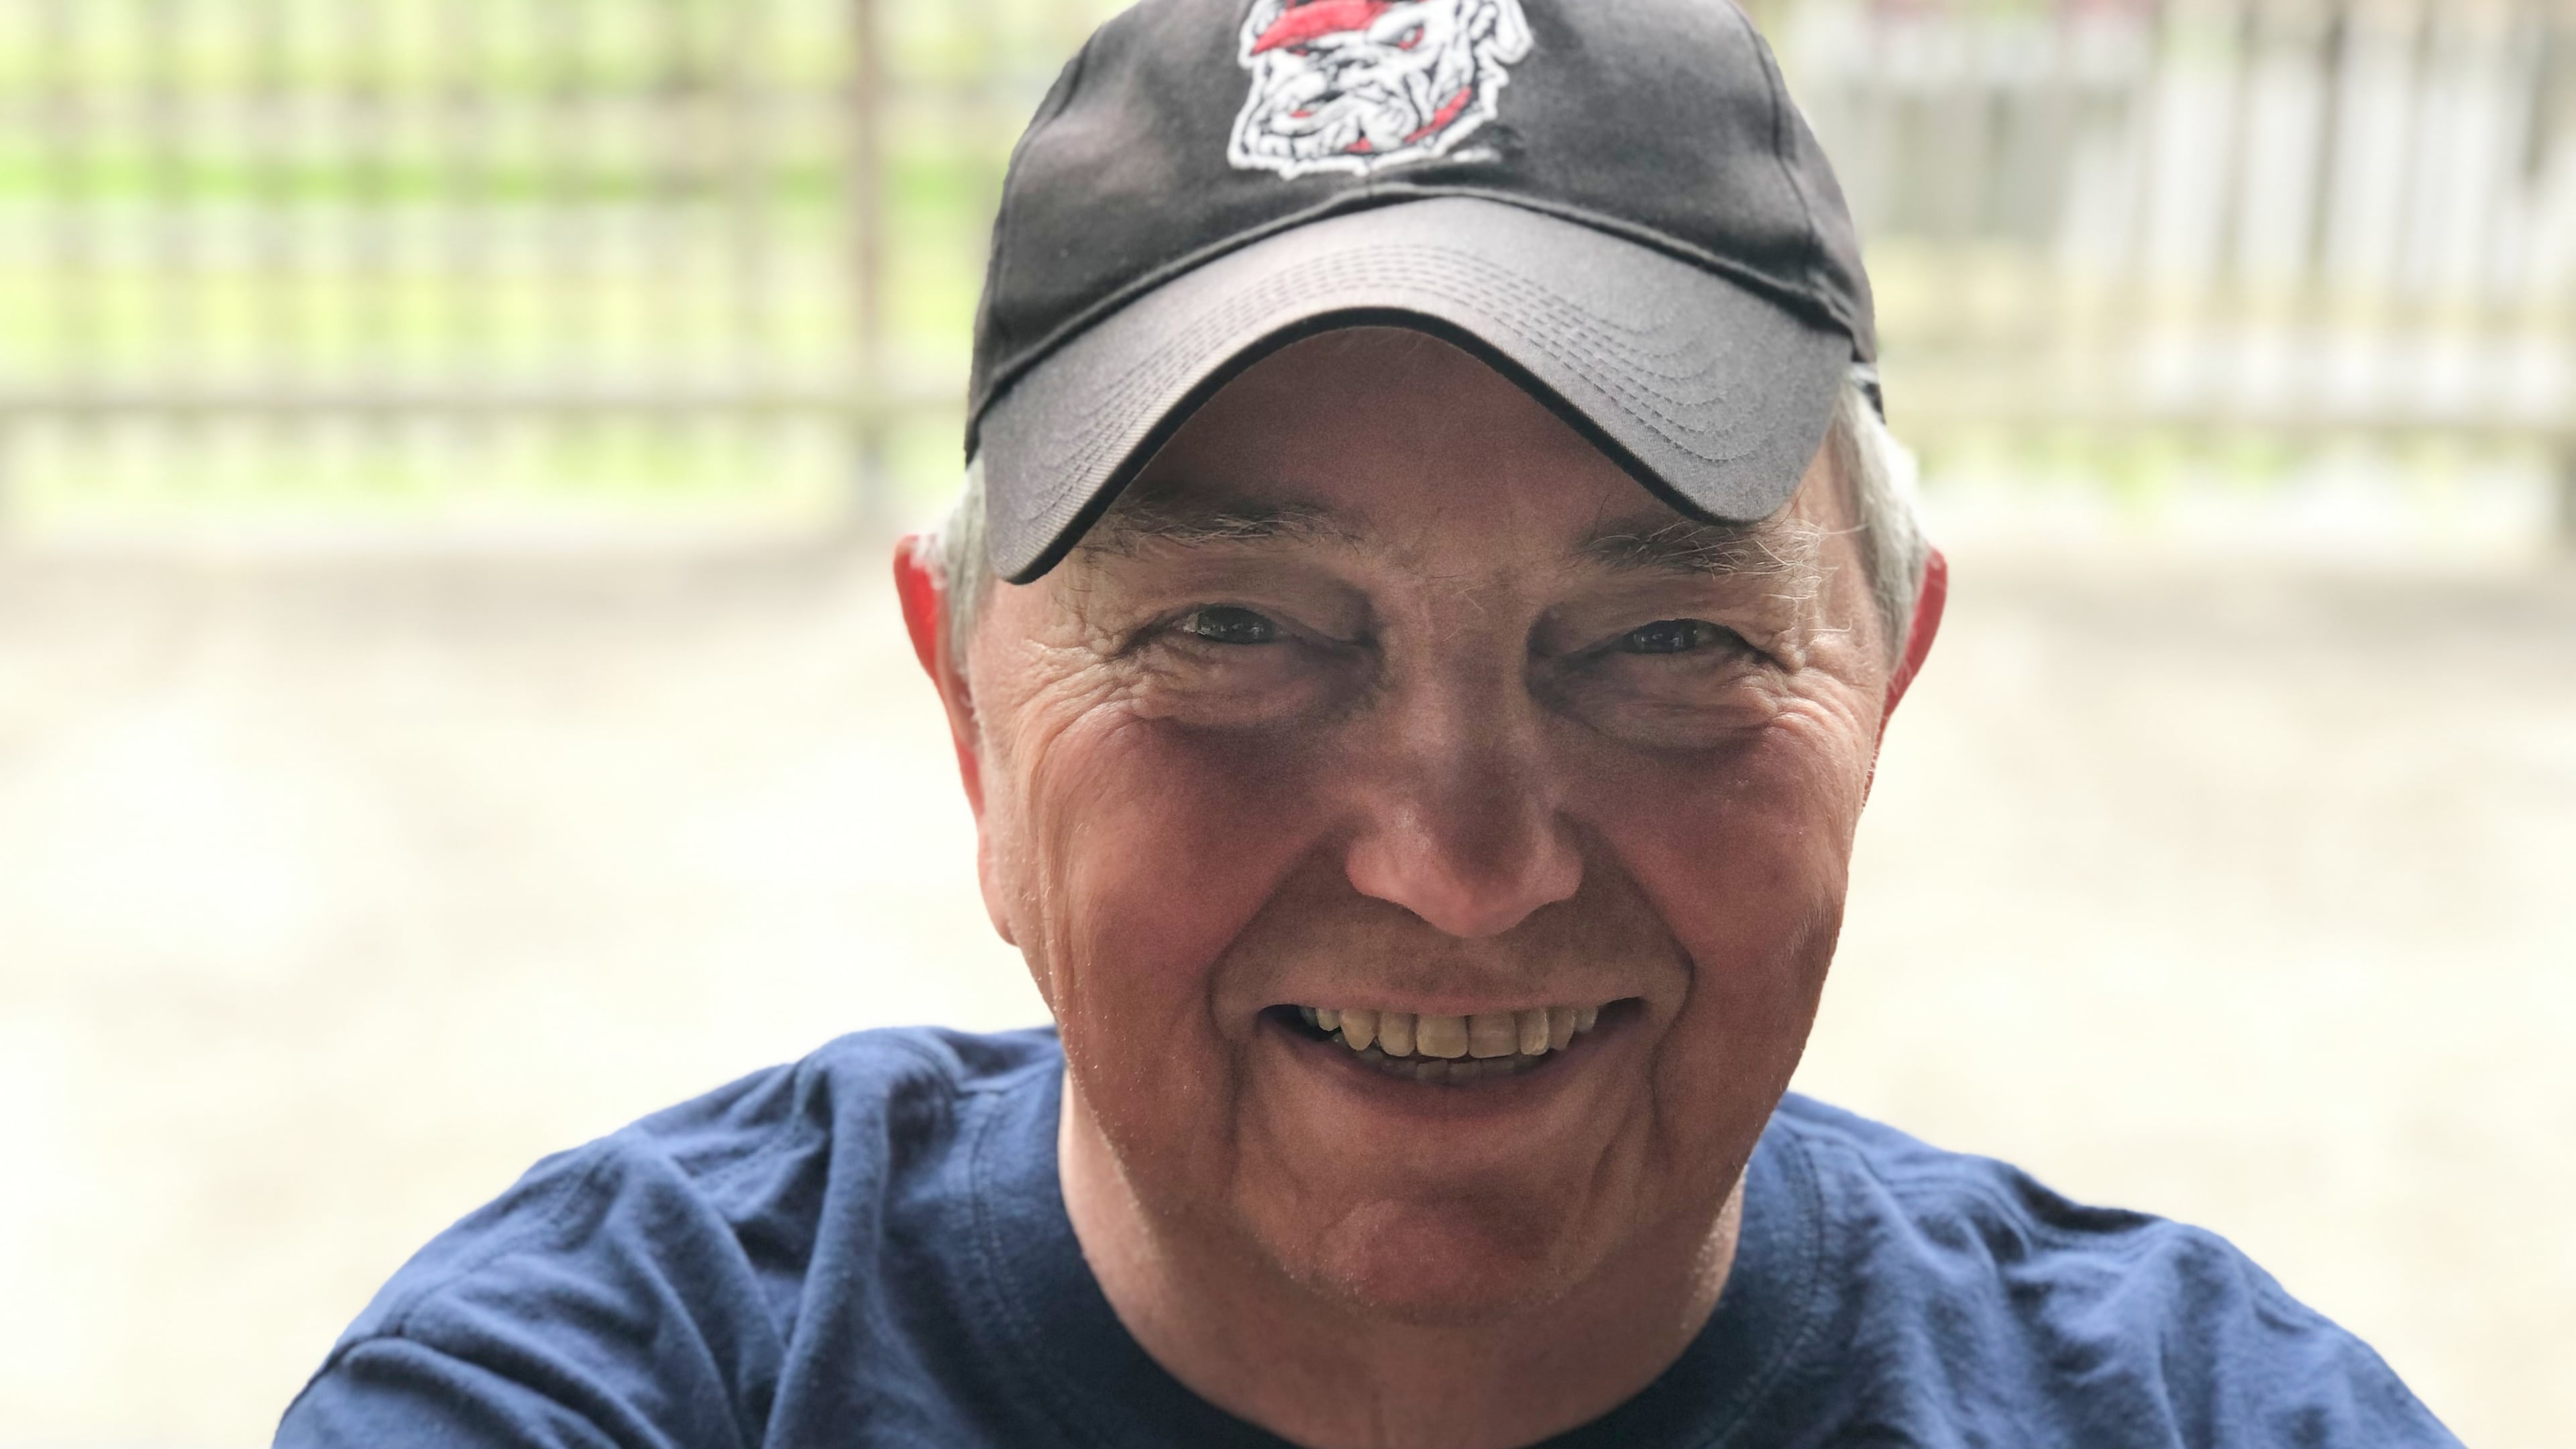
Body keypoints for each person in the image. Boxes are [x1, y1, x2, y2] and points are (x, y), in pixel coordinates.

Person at [276, 2, 2461, 1445]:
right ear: (971, 717)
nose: (1463, 858)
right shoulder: (618, 1387)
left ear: (1882, 683)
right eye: (1235, 627)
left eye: (1670, 644)